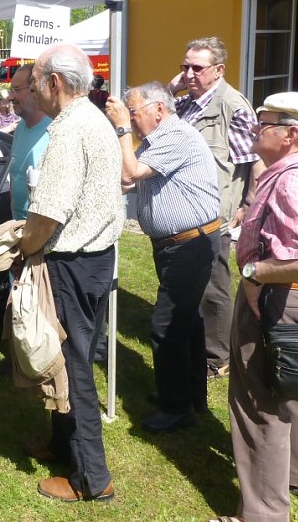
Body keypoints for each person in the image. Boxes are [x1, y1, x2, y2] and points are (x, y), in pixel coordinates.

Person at [221, 92, 298, 522]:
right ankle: (296, 476)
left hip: (280, 297)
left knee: (259, 403)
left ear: (292, 134)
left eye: (266, 122)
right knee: (296, 385)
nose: (258, 128)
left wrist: (255, 273)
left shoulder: (291, 180)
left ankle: (262, 513)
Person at [20, 44, 123, 503]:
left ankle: (91, 479)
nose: (30, 88)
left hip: (73, 263)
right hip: (95, 259)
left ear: (54, 83)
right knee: (69, 361)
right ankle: (63, 447)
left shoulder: (69, 129)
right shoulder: (91, 119)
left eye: (35, 80)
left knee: (73, 368)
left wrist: (23, 246)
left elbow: (48, 214)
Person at [105, 82, 220, 432]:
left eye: (134, 111)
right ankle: (190, 395)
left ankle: (176, 407)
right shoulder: (158, 141)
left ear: (158, 109)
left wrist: (122, 128)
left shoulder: (176, 135)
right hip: (177, 244)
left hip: (190, 244)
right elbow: (129, 181)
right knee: (188, 323)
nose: (131, 119)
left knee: (167, 325)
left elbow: (130, 174)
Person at [168, 36, 263, 380]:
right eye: (185, 66)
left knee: (213, 288)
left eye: (197, 67)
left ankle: (216, 357)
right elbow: (158, 124)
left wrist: (248, 204)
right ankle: (196, 340)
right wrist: (171, 87)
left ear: (218, 70)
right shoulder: (185, 103)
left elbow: (255, 160)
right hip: (183, 212)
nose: (189, 73)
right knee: (188, 284)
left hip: (213, 217)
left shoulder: (232, 107)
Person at [6, 63, 50, 220]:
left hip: (42, 230)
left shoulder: (54, 129)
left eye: (16, 90)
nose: (10, 97)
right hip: (19, 225)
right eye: (11, 90)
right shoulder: (21, 127)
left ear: (35, 89)